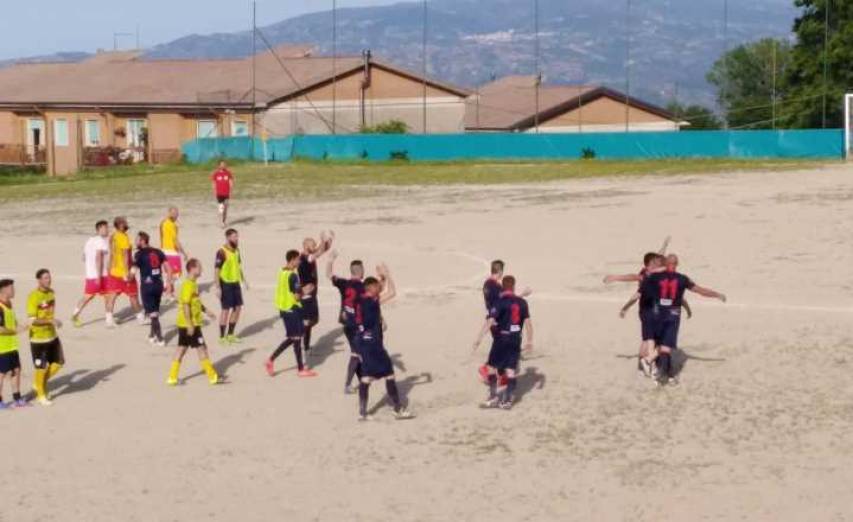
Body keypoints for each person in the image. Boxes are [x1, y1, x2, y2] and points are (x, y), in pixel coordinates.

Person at [636, 254, 726, 386]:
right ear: (677, 264)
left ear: (665, 264)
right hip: (672, 315)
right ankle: (654, 366)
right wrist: (717, 294)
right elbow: (700, 291)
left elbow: (643, 280)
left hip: (657, 314)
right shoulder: (682, 278)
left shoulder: (655, 277)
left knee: (661, 345)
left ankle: (662, 373)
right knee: (666, 346)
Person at [615, 252, 691, 378]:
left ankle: (653, 365)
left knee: (654, 340)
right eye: (656, 262)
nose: (659, 264)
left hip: (656, 311)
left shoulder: (655, 274)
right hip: (652, 311)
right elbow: (636, 288)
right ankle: (649, 365)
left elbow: (677, 297)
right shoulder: (649, 275)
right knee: (653, 340)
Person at [354, 265, 413, 420]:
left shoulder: (361, 299)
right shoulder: (372, 302)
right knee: (389, 375)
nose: (378, 288)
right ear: (369, 288)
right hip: (374, 345)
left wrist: (381, 278)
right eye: (376, 287)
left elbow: (377, 288)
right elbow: (392, 292)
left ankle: (362, 413)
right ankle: (398, 409)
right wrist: (387, 275)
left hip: (363, 344)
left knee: (366, 378)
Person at [473, 275, 534, 410]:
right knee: (511, 371)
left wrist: (479, 338)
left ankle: (493, 397)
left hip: (501, 339)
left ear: (503, 287)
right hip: (515, 340)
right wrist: (529, 341)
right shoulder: (522, 303)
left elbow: (489, 321)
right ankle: (507, 400)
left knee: (490, 369)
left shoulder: (499, 302)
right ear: (513, 286)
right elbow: (529, 324)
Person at [265, 250, 318, 378]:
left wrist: (301, 290)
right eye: (298, 260)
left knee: (294, 338)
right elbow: (297, 296)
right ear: (293, 259)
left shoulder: (282, 271)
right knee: (296, 338)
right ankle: (295, 367)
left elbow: (287, 290)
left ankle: (274, 361)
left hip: (283, 308)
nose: (299, 262)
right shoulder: (293, 276)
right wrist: (306, 291)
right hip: (291, 309)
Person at [167, 259, 220, 386]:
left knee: (182, 349)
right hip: (190, 324)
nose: (201, 269)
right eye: (199, 267)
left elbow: (195, 302)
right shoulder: (187, 285)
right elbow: (185, 305)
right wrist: (190, 324)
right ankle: (212, 376)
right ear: (193, 269)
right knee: (202, 348)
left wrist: (206, 311)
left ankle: (172, 377)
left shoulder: (193, 284)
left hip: (186, 323)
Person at [478, 260, 531, 384]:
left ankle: (499, 375)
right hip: (499, 323)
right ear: (500, 271)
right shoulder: (496, 288)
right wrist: (523, 294)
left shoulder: (487, 284)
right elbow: (509, 303)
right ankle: (487, 369)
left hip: (494, 320)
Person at [326, 250, 365, 393]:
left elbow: (329, 275)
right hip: (356, 324)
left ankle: (362, 379)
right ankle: (348, 385)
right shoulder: (362, 288)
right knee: (356, 353)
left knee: (358, 352)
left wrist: (330, 260)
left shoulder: (344, 283)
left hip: (345, 323)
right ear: (361, 271)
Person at [27, 270, 64, 406]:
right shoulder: (33, 297)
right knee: (41, 368)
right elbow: (32, 320)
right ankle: (41, 395)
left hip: (52, 336)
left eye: (49, 277)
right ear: (39, 280)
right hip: (38, 339)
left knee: (59, 363)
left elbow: (49, 313)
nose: (49, 280)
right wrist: (51, 321)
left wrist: (53, 321)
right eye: (46, 278)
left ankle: (38, 383)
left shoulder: (51, 293)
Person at [131, 232, 172, 346]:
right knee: (154, 312)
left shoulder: (139, 254)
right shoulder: (159, 252)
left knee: (153, 315)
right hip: (159, 284)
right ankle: (151, 335)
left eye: (137, 240)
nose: (135, 242)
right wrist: (168, 285)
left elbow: (133, 271)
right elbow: (169, 269)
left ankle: (160, 338)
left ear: (143, 240)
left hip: (147, 286)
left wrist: (128, 278)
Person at [104, 216, 144, 328]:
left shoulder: (112, 236)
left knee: (112, 296)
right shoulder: (123, 237)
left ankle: (109, 320)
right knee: (133, 295)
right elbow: (126, 255)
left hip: (113, 270)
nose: (127, 225)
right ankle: (141, 318)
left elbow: (111, 254)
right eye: (125, 223)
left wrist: (108, 267)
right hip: (123, 272)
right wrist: (127, 272)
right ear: (120, 225)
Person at [298, 231, 334, 354]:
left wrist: (328, 240)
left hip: (312, 293)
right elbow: (319, 252)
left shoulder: (309, 254)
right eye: (312, 245)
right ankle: (302, 340)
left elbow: (322, 249)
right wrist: (323, 240)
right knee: (310, 320)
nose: (314, 246)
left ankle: (304, 341)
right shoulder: (305, 257)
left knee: (314, 320)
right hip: (307, 294)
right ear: (306, 246)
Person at [71, 220, 110, 327]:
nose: (108, 230)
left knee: (93, 296)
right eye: (106, 228)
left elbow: (83, 257)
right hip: (99, 275)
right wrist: (98, 276)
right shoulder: (101, 241)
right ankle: (109, 319)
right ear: (100, 229)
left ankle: (75, 315)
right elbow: (99, 258)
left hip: (90, 274)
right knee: (102, 296)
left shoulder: (89, 240)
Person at [214, 228, 249, 344]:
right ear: (228, 238)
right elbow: (217, 270)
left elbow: (238, 267)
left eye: (237, 236)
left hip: (236, 283)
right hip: (225, 284)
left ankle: (230, 335)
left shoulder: (237, 250)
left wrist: (243, 280)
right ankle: (221, 337)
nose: (237, 239)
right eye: (234, 237)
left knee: (238, 308)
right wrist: (218, 287)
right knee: (225, 310)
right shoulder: (221, 252)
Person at [0, 279, 28, 408]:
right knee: (2, 374)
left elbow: (12, 322)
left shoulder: (9, 303)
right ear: (4, 289)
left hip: (12, 345)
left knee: (16, 371)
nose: (14, 291)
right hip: (2, 347)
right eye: (11, 288)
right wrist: (14, 331)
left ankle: (17, 399)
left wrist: (23, 327)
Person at [160, 207, 187, 300]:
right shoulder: (171, 225)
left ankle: (170, 292)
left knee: (169, 272)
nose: (176, 215)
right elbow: (175, 240)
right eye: (174, 213)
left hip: (164, 250)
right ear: (169, 213)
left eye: (177, 213)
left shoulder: (163, 222)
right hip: (171, 251)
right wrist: (184, 253)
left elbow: (161, 236)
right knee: (177, 273)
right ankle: (166, 289)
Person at [211, 160, 234, 227]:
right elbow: (213, 183)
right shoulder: (216, 173)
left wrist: (231, 191)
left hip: (226, 193)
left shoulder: (228, 173)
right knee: (221, 208)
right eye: (221, 164)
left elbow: (231, 182)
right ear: (219, 166)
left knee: (226, 208)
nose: (223, 166)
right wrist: (214, 191)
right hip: (219, 194)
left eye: (224, 164)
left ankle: (224, 221)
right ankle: (221, 222)